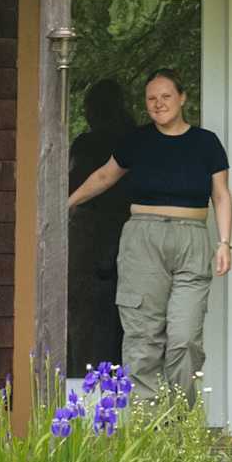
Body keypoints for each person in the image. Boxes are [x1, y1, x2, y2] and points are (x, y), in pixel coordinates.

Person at [65, 67, 229, 401]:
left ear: (182, 98)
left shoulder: (206, 143)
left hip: (191, 240)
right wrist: (66, 203)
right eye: (151, 98)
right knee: (143, 337)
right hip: (143, 239)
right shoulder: (136, 141)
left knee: (185, 338)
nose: (158, 103)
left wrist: (225, 242)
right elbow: (104, 177)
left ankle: (178, 419)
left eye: (166, 96)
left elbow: (222, 195)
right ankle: (148, 422)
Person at [66, 80, 138, 370]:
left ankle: (87, 376)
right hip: (129, 233)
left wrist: (65, 206)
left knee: (89, 315)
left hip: (94, 236)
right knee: (126, 315)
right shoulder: (134, 137)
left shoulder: (89, 145)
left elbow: (77, 183)